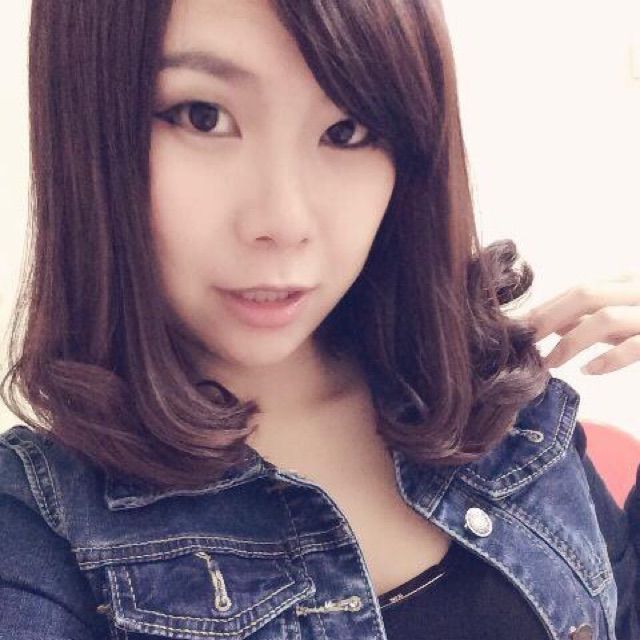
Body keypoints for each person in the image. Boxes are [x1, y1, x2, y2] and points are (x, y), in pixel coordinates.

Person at [0, 1, 638, 639]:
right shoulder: (39, 525)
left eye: (348, 130)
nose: (284, 222)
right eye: (203, 116)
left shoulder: (504, 407)